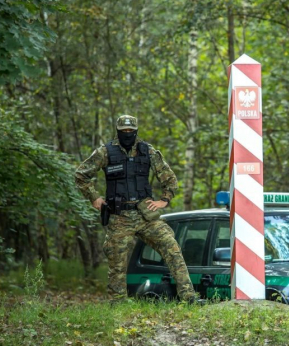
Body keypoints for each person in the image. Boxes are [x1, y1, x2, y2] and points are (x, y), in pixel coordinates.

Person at [75, 114, 197, 302]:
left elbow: (170, 179)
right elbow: (81, 175)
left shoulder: (147, 151)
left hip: (145, 214)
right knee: (117, 263)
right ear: (118, 131)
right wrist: (94, 198)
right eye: (124, 131)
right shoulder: (105, 152)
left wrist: (164, 200)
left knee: (172, 248)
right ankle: (118, 304)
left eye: (131, 131)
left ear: (136, 131)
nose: (127, 134)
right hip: (119, 216)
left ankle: (189, 297)